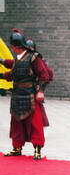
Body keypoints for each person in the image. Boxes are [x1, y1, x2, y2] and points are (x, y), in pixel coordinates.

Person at [0, 28, 52, 160]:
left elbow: (44, 75)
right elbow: (11, 75)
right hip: (17, 95)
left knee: (35, 123)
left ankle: (37, 150)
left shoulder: (34, 57)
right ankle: (17, 148)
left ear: (14, 46)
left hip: (30, 95)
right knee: (16, 123)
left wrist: (41, 91)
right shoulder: (17, 59)